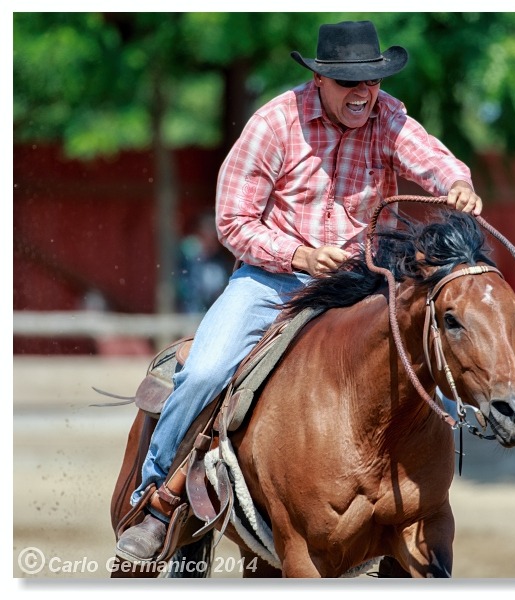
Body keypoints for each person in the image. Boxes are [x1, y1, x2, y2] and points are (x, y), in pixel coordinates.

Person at [115, 20, 483, 562]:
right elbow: (233, 222)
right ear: (321, 81)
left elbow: (435, 161)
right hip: (273, 279)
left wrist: (457, 184)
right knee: (210, 368)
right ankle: (159, 498)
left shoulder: (390, 117)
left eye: (372, 82)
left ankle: (422, 482)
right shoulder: (274, 124)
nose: (364, 93)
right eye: (350, 83)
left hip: (361, 281)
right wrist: (299, 256)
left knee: (429, 348)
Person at [176, 211, 232, 314]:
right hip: (187, 310)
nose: (212, 241)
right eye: (208, 235)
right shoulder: (187, 249)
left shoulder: (218, 260)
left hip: (209, 310)